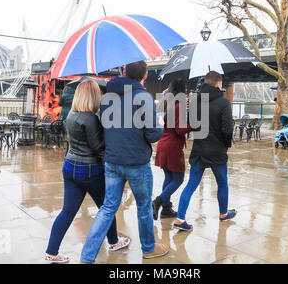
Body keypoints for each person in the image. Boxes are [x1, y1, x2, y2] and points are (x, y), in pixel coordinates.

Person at [80, 61, 167, 263]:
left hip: (112, 161)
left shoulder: (108, 97)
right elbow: (153, 134)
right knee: (144, 207)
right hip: (136, 162)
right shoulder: (143, 97)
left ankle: (87, 256)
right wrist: (160, 125)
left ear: (125, 72)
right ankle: (148, 248)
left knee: (108, 207)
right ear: (144, 76)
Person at [43, 80, 130, 264]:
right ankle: (113, 241)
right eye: (98, 93)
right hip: (89, 168)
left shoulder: (72, 114)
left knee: (67, 212)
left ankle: (51, 252)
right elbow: (98, 147)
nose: (100, 96)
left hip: (69, 165)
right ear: (92, 96)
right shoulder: (90, 118)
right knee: (106, 208)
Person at [174, 71, 236, 231]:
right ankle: (223, 213)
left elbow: (191, 124)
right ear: (217, 84)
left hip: (199, 150)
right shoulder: (224, 103)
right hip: (217, 151)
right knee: (222, 183)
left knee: (191, 185)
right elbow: (228, 129)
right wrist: (226, 145)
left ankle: (180, 219)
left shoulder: (195, 102)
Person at [153, 79, 192, 220]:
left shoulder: (166, 104)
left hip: (163, 143)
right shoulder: (178, 106)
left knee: (169, 178)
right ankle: (158, 201)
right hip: (173, 147)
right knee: (179, 179)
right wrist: (192, 124)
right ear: (181, 90)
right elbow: (180, 130)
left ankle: (166, 209)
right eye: (185, 90)